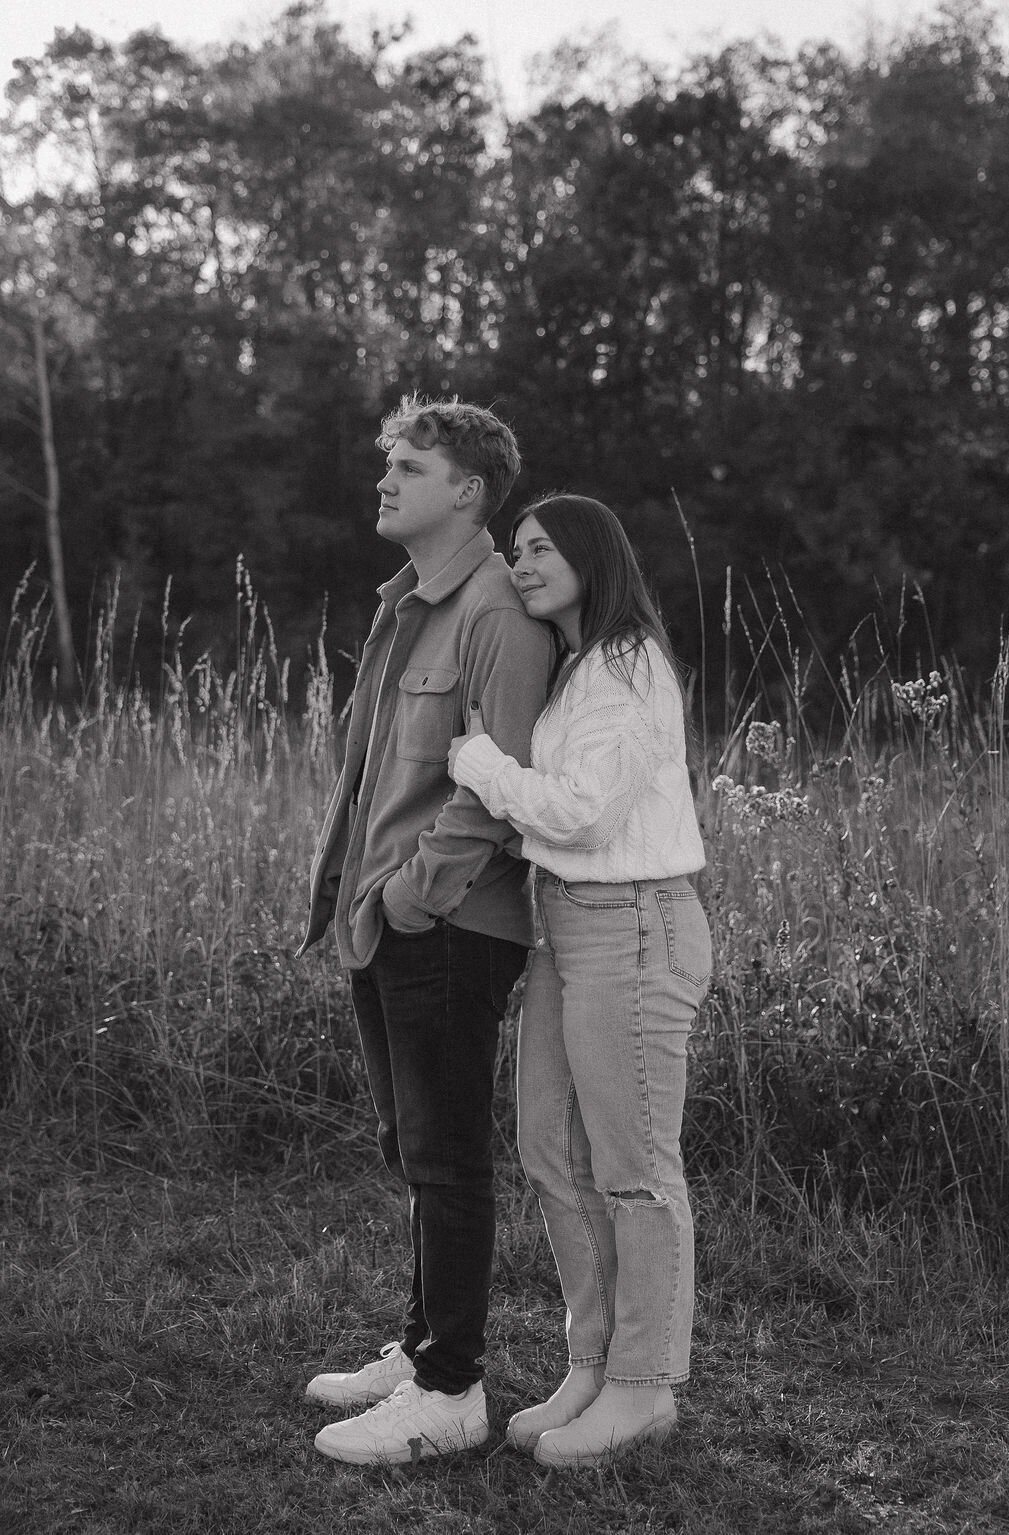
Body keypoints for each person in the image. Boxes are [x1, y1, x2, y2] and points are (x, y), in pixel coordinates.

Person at [297, 397, 551, 1466]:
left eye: (409, 466)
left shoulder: (497, 612)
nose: (385, 480)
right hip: (387, 920)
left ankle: (451, 1388)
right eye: (386, 464)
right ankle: (420, 1345)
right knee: (411, 1145)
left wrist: (411, 896)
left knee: (446, 1157)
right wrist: (359, 899)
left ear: (468, 490)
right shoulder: (408, 603)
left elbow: (500, 785)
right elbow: (374, 780)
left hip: (446, 926)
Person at [448, 494, 711, 1468]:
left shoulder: (626, 665)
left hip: (634, 927)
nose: (521, 561)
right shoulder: (574, 672)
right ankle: (592, 1362)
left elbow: (587, 813)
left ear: (594, 555)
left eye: (542, 546)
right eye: (515, 549)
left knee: (634, 1169)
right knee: (547, 1149)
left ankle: (645, 1384)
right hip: (566, 929)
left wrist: (478, 761)